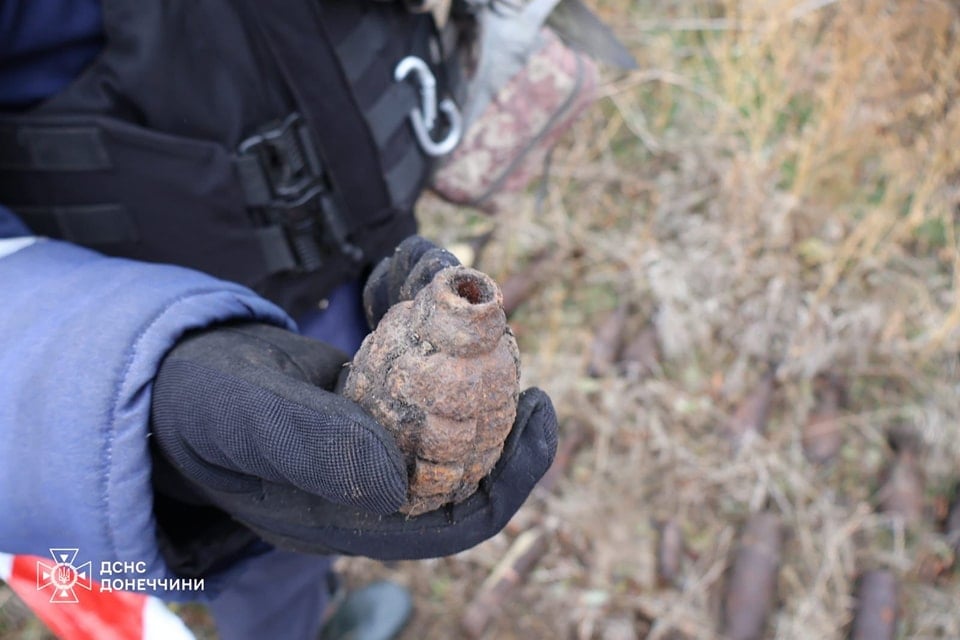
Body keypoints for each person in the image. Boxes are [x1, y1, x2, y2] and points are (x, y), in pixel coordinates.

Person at [0, 1, 559, 638]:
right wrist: (125, 384)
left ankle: (317, 609)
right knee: (261, 549)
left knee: (339, 505)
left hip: (374, 269)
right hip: (183, 341)